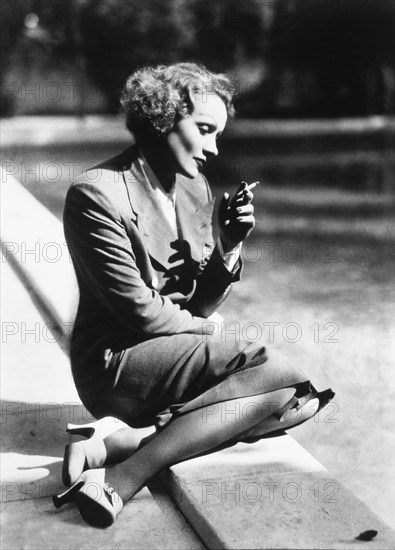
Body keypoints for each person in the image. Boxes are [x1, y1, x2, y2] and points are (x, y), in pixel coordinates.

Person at [53, 62, 334, 527]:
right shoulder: (95, 195)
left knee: (294, 402)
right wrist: (205, 328)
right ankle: (123, 479)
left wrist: (229, 245)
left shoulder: (193, 188)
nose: (213, 148)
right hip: (115, 363)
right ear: (162, 118)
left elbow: (197, 303)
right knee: (272, 367)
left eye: (217, 134)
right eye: (204, 130)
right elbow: (139, 313)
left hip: (172, 351)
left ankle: (112, 447)